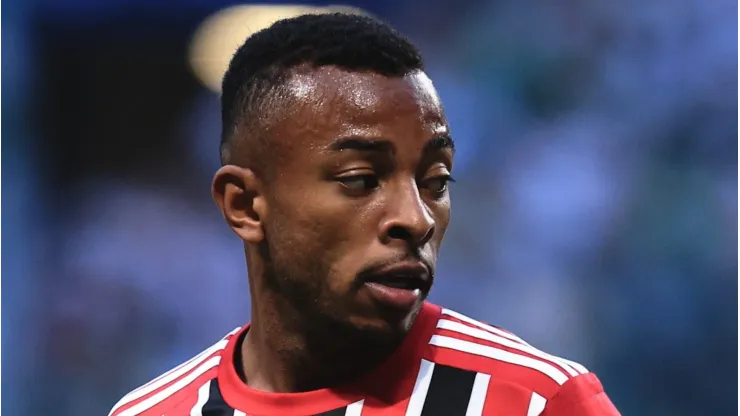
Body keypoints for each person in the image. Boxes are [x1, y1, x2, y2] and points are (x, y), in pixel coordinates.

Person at [109, 13, 620, 416]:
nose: (416, 219)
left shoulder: (536, 402)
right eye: (360, 179)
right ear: (243, 205)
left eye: (436, 182)